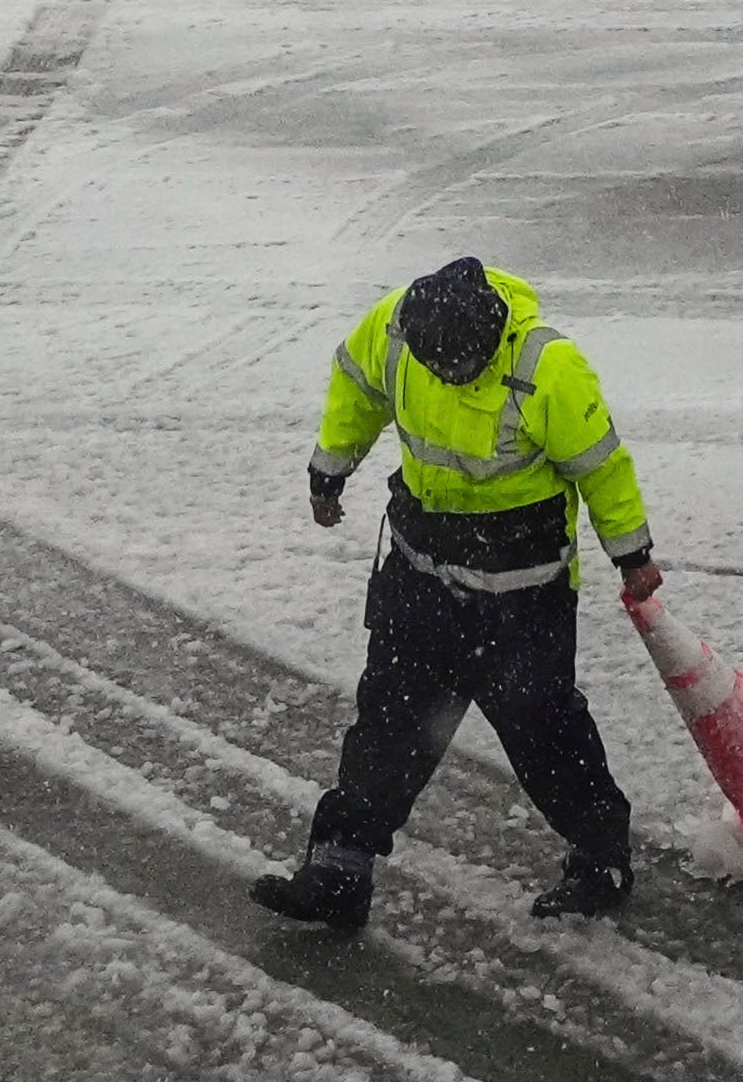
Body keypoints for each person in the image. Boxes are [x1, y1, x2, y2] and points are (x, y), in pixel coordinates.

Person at [251, 258, 661, 932]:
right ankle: (338, 870)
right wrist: (330, 467)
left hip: (521, 600)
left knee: (545, 734)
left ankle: (599, 857)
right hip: (421, 579)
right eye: (436, 364)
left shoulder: (546, 366)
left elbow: (601, 465)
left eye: (459, 367)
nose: (446, 376)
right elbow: (357, 384)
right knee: (386, 727)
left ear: (488, 339)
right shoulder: (396, 328)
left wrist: (632, 555)